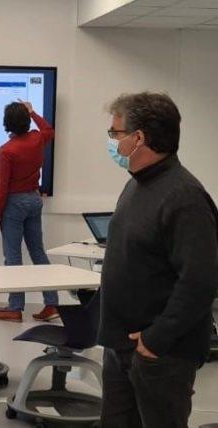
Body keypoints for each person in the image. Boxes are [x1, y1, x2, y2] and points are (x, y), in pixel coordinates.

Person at [99, 92, 218, 428]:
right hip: (122, 346)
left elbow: (200, 281)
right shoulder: (137, 186)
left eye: (115, 134)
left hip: (160, 355)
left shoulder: (185, 198)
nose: (112, 142)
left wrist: (155, 341)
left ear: (139, 138)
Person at [0, 100, 59, 323]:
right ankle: (52, 304)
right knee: (38, 252)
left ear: (6, 123)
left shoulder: (7, 150)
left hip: (14, 204)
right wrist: (33, 111)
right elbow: (49, 129)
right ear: (27, 120)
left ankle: (15, 307)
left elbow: (2, 186)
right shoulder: (37, 138)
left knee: (13, 257)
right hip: (34, 199)